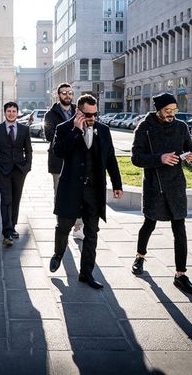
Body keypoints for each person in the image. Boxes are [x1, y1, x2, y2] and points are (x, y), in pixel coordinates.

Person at [49, 94, 123, 289]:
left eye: (95, 114)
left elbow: (111, 158)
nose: (92, 118)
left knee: (92, 233)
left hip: (93, 191)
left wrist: (117, 184)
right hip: (70, 189)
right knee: (63, 227)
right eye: (88, 115)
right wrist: (76, 131)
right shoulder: (63, 129)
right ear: (78, 111)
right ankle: (58, 254)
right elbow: (58, 152)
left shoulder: (104, 130)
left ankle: (86, 273)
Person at [130, 92, 192, 295]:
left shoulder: (181, 127)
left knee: (180, 229)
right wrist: (160, 158)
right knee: (149, 224)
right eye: (167, 111)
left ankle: (180, 275)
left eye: (174, 111)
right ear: (158, 110)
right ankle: (140, 256)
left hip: (176, 186)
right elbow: (136, 158)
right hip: (155, 186)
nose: (171, 114)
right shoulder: (145, 128)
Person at [0, 101, 33, 246]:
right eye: (9, 111)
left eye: (14, 111)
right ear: (5, 113)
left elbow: (28, 150)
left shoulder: (24, 130)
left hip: (19, 171)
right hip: (3, 171)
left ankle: (12, 227)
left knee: (16, 200)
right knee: (6, 200)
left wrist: (27, 167)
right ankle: (7, 232)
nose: (11, 113)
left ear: (17, 113)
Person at [43, 83, 83, 240]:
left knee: (79, 194)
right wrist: (73, 134)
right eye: (64, 92)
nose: (67, 95)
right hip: (58, 161)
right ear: (58, 95)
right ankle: (62, 226)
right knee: (60, 194)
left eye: (70, 92)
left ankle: (78, 226)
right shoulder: (50, 115)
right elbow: (50, 136)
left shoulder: (79, 111)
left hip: (78, 161)